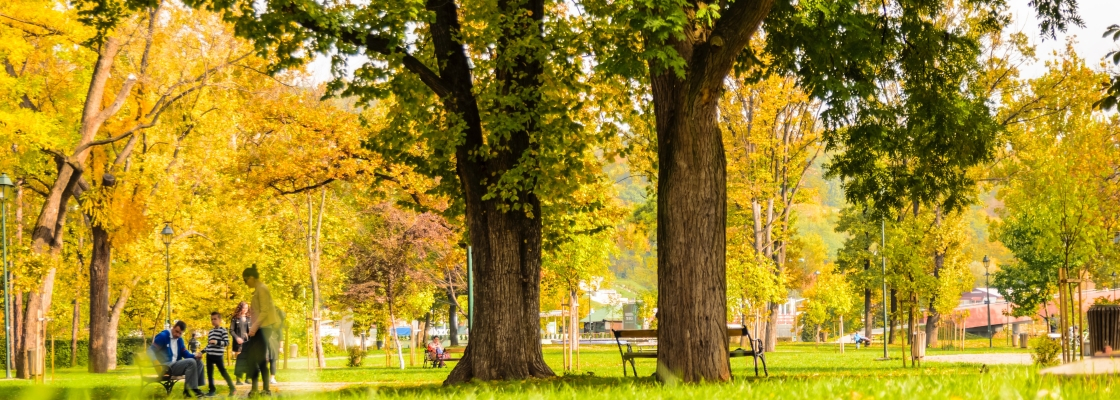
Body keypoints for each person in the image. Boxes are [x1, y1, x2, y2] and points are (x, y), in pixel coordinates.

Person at [241, 265, 281, 396]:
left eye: (245, 280)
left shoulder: (262, 289)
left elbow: (264, 311)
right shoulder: (258, 289)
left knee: (259, 358)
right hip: (260, 328)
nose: (245, 283)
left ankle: (265, 390)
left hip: (264, 328)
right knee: (253, 359)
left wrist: (254, 327)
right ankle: (255, 389)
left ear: (251, 278)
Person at [150, 320, 207, 398]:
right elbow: (150, 351)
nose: (177, 334)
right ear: (173, 327)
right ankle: (189, 391)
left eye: (180, 333)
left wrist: (195, 356)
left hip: (174, 365)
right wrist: (155, 362)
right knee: (191, 362)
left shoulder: (179, 340)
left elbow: (185, 354)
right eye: (176, 331)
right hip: (165, 367)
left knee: (198, 362)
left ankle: (194, 389)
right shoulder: (163, 336)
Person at [204, 311, 236, 397]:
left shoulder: (223, 331)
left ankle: (232, 388)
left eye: (215, 319)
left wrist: (216, 341)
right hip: (209, 355)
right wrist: (202, 352)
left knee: (223, 372)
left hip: (218, 356)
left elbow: (226, 343)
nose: (213, 321)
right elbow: (208, 345)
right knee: (209, 373)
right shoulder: (210, 332)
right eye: (212, 319)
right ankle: (211, 390)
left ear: (220, 320)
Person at [230, 302, 250, 385]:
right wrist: (237, 338)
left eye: (247, 308)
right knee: (239, 360)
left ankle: (248, 378)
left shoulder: (249, 318)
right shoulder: (235, 318)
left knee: (249, 360)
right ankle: (238, 379)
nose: (245, 310)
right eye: (244, 308)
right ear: (240, 308)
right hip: (238, 343)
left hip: (248, 342)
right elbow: (231, 330)